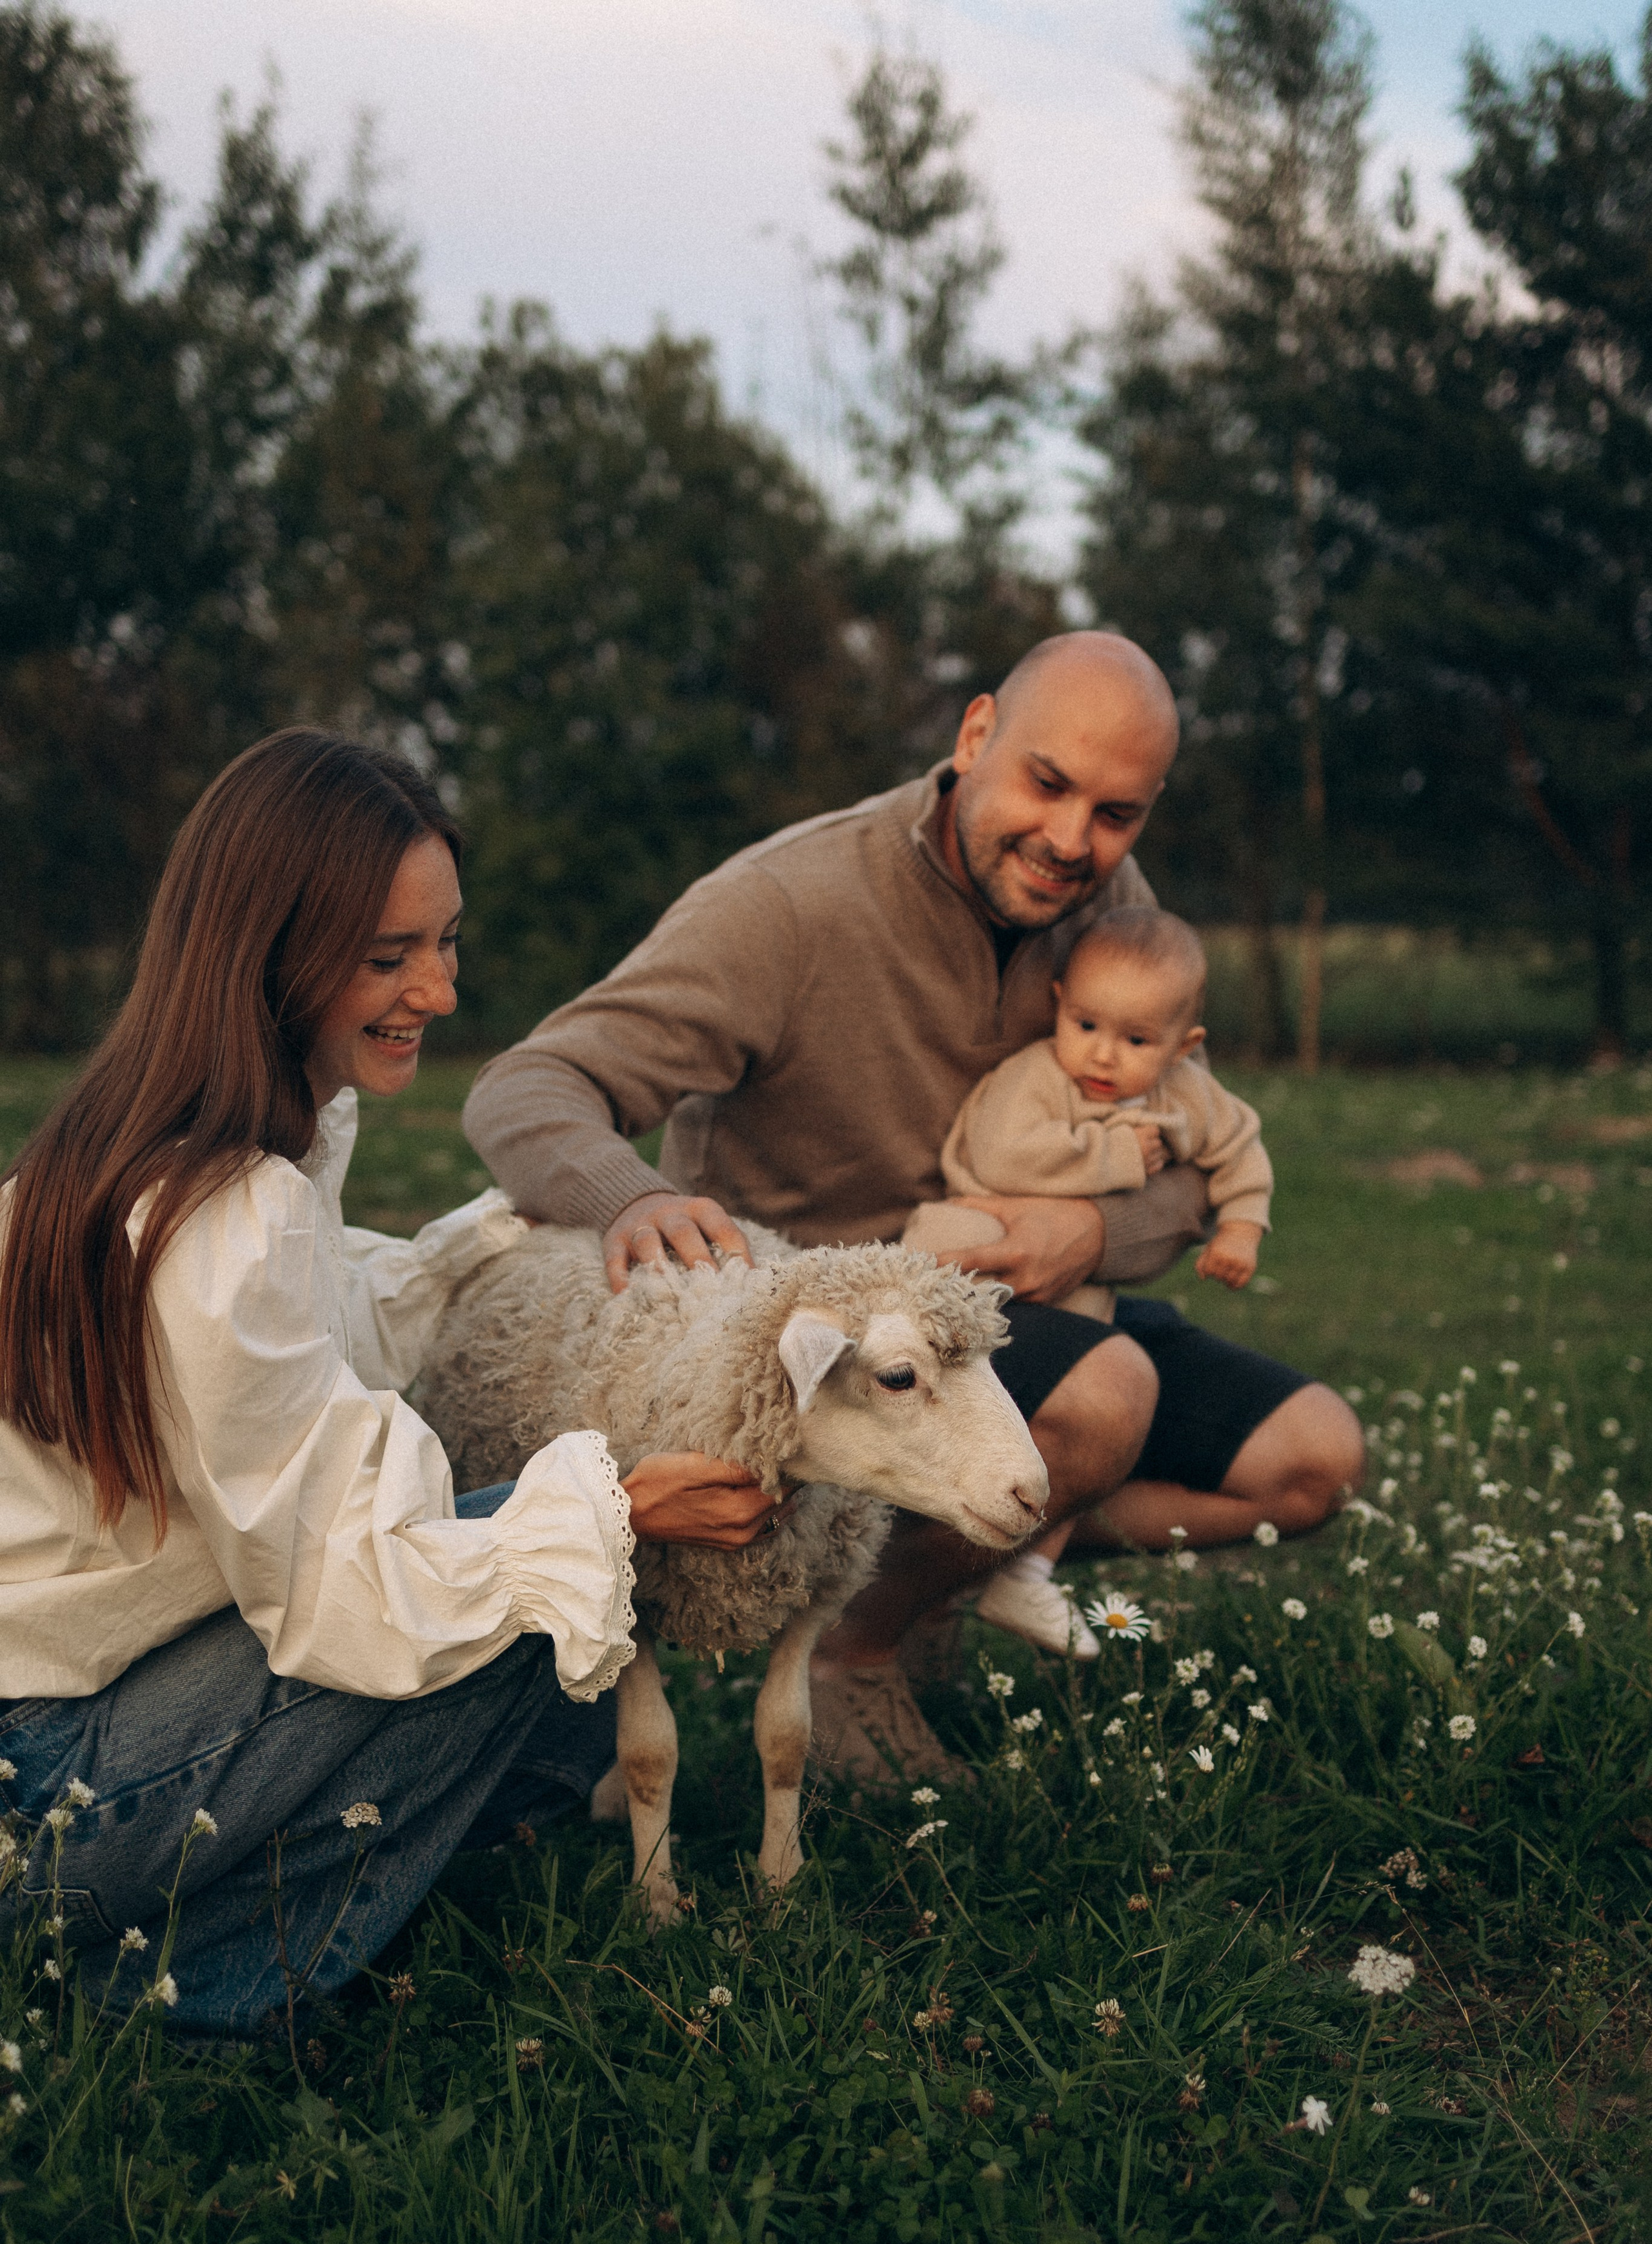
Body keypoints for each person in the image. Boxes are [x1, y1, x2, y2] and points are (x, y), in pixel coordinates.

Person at [463, 632, 1364, 1786]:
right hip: (844, 1332)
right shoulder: (786, 905)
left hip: (1027, 1298)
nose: (1073, 841)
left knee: (1312, 1462)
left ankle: (947, 1564)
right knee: (1104, 1395)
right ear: (975, 735)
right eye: (1047, 783)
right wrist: (629, 1193)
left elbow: (1187, 1136)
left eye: (1118, 812)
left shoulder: (1107, 908)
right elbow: (528, 1086)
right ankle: (854, 1650)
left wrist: (1094, 1233)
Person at [0, 729, 778, 2031]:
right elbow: (335, 1596)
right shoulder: (225, 1217)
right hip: (51, 1791)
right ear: (269, 951)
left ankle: (337, 1879)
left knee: (535, 1627)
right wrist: (613, 1516)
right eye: (386, 958)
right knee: (527, 1580)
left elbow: (313, 1342)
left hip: (54, 1722)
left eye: (446, 942)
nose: (441, 988)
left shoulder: (139, 1150)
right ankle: (192, 2001)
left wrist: (505, 1235)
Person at [904, 904, 1273, 1655]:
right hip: (970, 1252)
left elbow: (1240, 1148)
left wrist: (1241, 1226)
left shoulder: (1188, 1096)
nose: (1103, 1056)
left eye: (1135, 1041)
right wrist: (1115, 1159)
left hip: (1077, 1288)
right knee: (956, 1400)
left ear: (1184, 1046)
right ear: (1059, 1006)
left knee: (1093, 1431)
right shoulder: (1034, 1077)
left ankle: (1025, 1576)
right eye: (1086, 1026)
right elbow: (1007, 1157)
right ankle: (908, 1580)